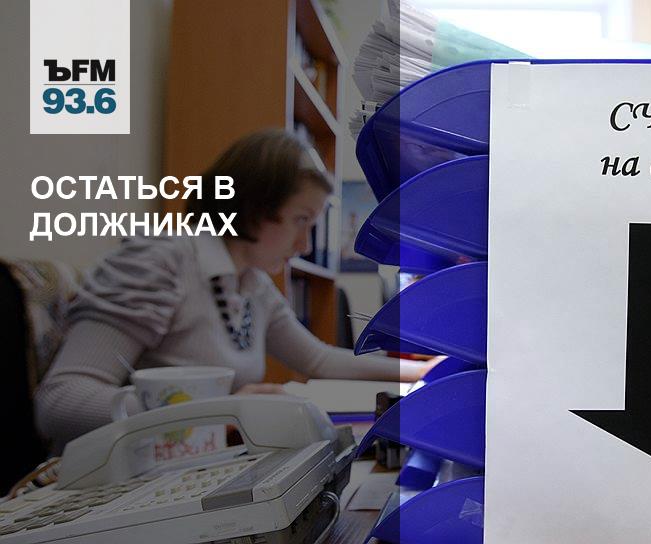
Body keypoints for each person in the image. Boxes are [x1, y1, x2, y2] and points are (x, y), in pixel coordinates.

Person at [35, 129, 430, 451]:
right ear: (252, 207)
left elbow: (318, 359)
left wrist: (426, 370)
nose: (305, 245)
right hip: (120, 478)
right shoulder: (158, 263)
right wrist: (216, 411)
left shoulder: (251, 282)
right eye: (301, 220)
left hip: (192, 464)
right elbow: (60, 400)